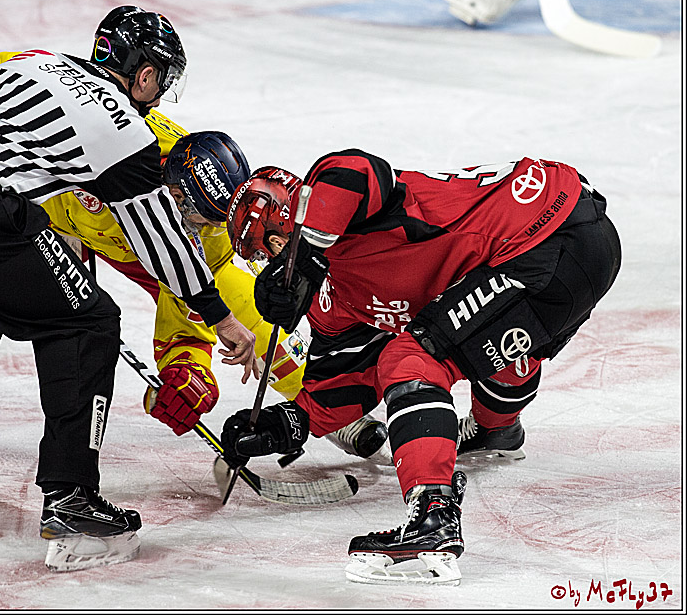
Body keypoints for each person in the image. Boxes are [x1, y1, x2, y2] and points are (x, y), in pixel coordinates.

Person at [0, 4, 259, 572]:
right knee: (86, 320)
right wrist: (221, 319)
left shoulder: (35, 61)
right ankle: (72, 500)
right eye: (161, 80)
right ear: (143, 75)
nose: (161, 95)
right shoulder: (124, 129)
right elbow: (162, 240)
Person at [0, 123, 388, 477]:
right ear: (166, 178)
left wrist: (184, 375)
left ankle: (323, 408)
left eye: (202, 219)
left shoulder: (206, 233)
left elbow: (194, 308)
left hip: (143, 254)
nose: (189, 224)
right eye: (184, 208)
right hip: (53, 219)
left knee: (246, 314)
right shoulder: (125, 144)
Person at [220, 151, 620, 584]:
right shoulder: (332, 298)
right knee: (475, 341)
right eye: (265, 257)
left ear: (289, 218)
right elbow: (345, 377)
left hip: (545, 232)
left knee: (413, 358)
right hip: (556, 255)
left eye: (272, 247)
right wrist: (288, 423)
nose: (273, 264)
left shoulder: (337, 198)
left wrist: (310, 251)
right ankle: (496, 428)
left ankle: (433, 516)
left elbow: (354, 171)